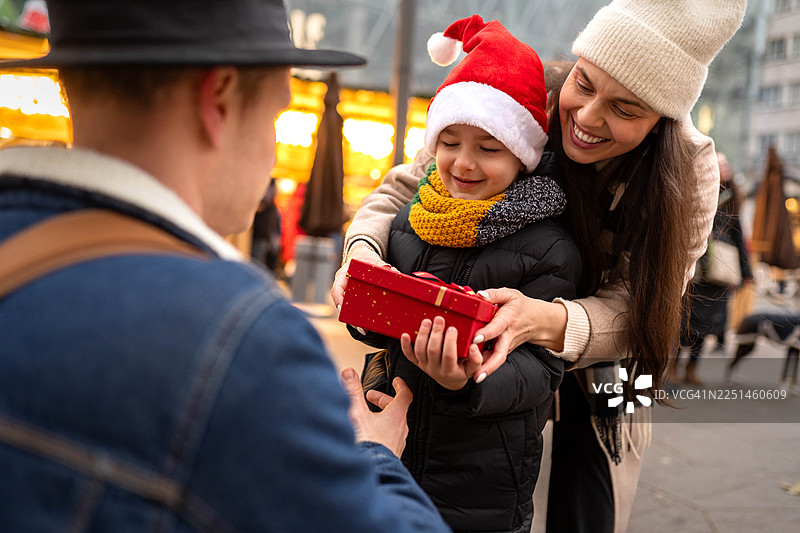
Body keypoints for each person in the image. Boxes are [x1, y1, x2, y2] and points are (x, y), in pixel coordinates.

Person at [0, 1, 452, 532]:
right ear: (219, 98)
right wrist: (374, 458)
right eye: (276, 115)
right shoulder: (239, 338)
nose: (270, 150)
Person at [332, 1, 747, 532]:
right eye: (585, 82)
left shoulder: (690, 171)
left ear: (661, 120)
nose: (589, 117)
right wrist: (362, 254)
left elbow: (642, 307)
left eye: (625, 109)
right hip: (497, 328)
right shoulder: (525, 91)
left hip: (613, 352)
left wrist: (540, 320)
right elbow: (405, 189)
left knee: (594, 493)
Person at [345, 16, 580, 533]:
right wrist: (361, 300)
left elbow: (542, 372)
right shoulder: (412, 217)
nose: (463, 163)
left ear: (521, 154)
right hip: (395, 440)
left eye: (488, 148)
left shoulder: (551, 246)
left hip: (482, 480)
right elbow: (382, 325)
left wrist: (464, 379)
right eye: (449, 142)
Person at [674, 152, 753, 386]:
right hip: (696, 271)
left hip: (721, 272)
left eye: (726, 164)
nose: (723, 168)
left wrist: (746, 273)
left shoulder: (733, 200)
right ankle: (674, 366)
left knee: (708, 326)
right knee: (686, 323)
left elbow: (739, 239)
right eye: (718, 164)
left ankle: (692, 367)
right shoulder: (694, 193)